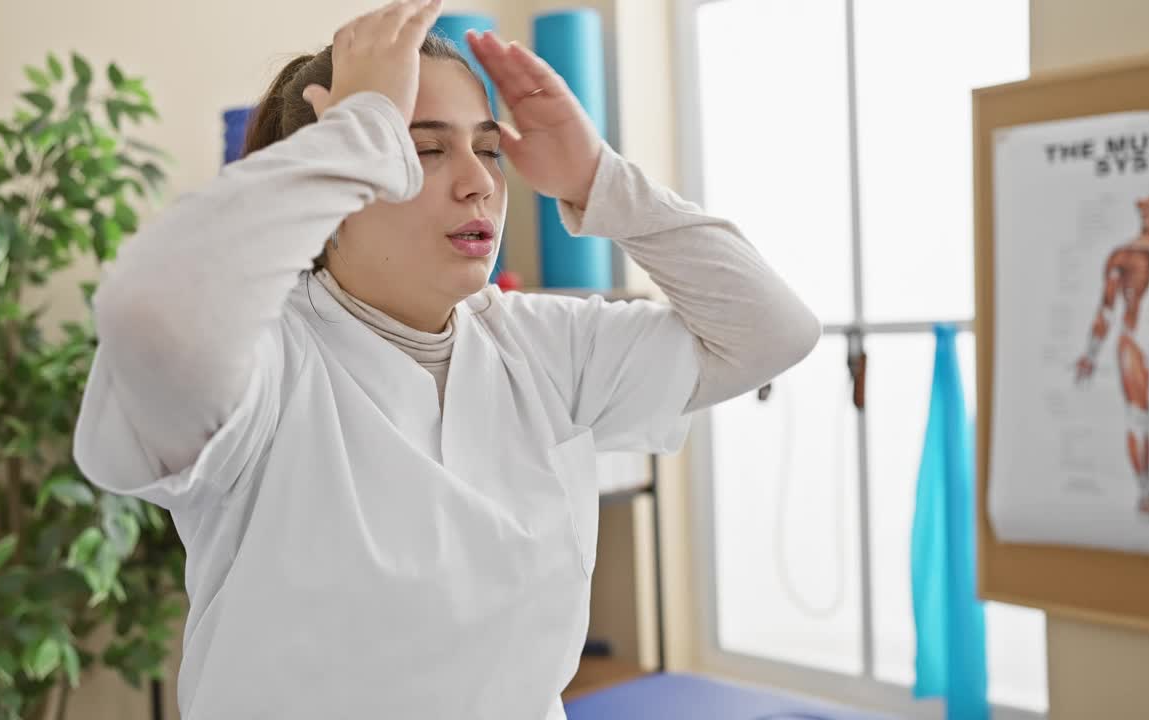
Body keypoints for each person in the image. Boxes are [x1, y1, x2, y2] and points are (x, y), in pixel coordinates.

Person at [73, 0, 819, 717]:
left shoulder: (538, 343)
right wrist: (356, 134)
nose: (482, 183)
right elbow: (150, 316)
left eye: (489, 149)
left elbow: (773, 331)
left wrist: (599, 180)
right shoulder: (267, 368)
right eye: (424, 150)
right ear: (342, 174)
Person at [1076, 195, 1149, 521]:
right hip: (1134, 343)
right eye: (1148, 212)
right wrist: (1090, 353)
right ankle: (1145, 493)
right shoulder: (1124, 255)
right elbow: (1106, 307)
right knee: (1138, 420)